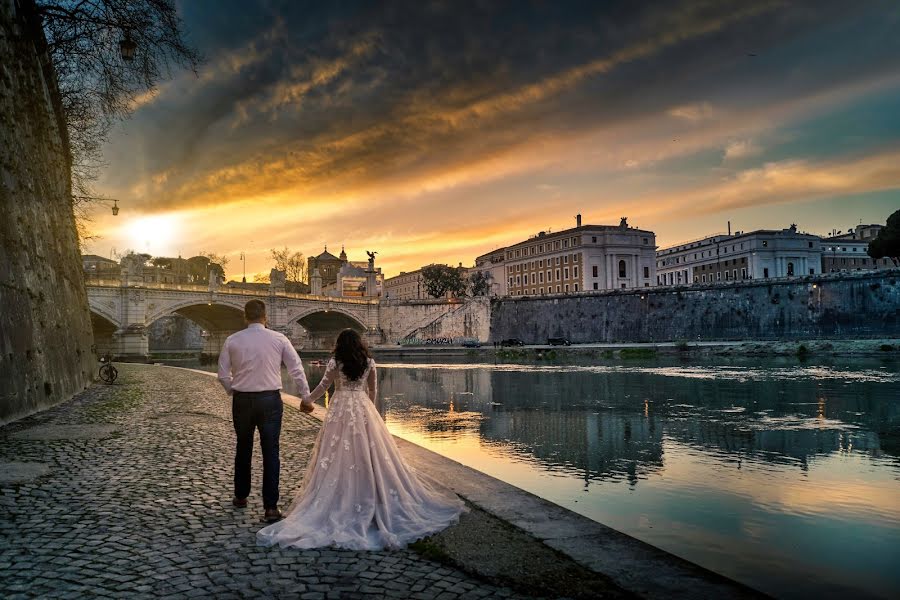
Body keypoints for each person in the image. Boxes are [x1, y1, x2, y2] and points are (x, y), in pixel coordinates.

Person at [257, 329, 465, 550]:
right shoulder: (369, 362)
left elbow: (323, 386)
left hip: (340, 408)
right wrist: (370, 410)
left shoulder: (335, 362)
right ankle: (373, 495)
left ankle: (340, 496)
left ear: (340, 344)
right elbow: (373, 390)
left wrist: (307, 400)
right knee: (369, 453)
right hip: (362, 405)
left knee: (336, 452)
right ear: (359, 344)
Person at [217, 299, 313, 523]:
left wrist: (234, 390)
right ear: (265, 316)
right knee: (271, 451)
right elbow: (296, 368)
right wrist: (305, 397)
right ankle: (270, 507)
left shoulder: (232, 340)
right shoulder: (279, 338)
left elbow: (223, 375)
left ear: (245, 316)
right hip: (270, 400)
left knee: (243, 447)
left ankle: (241, 496)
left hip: (242, 400)